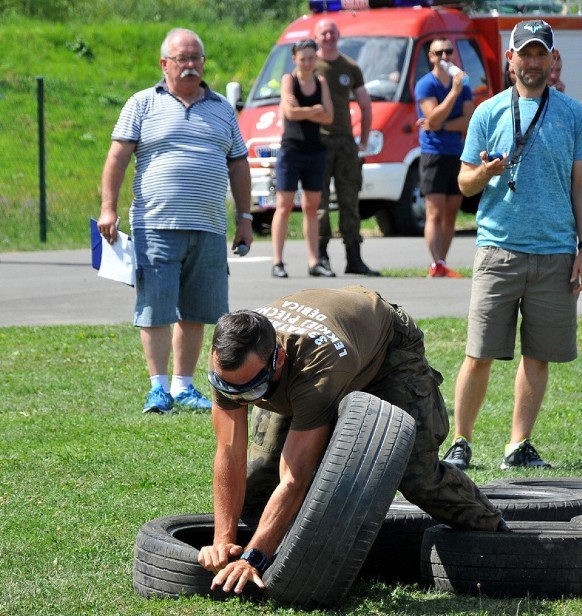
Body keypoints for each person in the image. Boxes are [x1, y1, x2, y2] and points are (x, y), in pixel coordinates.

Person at [197, 286, 506, 593]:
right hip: (328, 340)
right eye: (229, 388)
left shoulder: (317, 370)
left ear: (277, 360)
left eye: (250, 392)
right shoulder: (232, 360)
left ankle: (492, 527)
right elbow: (229, 453)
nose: (239, 398)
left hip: (386, 349)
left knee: (415, 473)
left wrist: (253, 558)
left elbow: (295, 478)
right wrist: (223, 541)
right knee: (261, 474)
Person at [441, 20, 582, 471]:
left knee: (538, 355)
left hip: (555, 252)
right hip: (498, 249)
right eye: (523, 54)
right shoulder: (487, 112)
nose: (532, 62)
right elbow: (464, 183)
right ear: (510, 59)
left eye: (539, 54)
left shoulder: (572, 113)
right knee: (479, 353)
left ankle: (518, 445)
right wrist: (486, 172)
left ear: (552, 60)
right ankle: (460, 442)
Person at [97, 28, 252, 414]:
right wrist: (108, 207)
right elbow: (117, 157)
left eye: (196, 58)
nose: (190, 65)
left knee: (198, 310)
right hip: (155, 224)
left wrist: (245, 218)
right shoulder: (142, 104)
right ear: (164, 64)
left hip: (210, 226)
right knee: (155, 307)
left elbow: (239, 165)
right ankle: (158, 389)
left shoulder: (221, 109)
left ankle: (184, 386)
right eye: (182, 59)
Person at [313, 19, 380, 277]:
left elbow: (365, 104)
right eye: (323, 33)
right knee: (319, 202)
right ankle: (321, 256)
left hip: (344, 142)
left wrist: (362, 140)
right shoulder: (309, 65)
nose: (328, 36)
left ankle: (354, 257)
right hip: (318, 142)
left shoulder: (349, 67)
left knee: (349, 200)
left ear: (338, 35)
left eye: (332, 32)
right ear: (316, 37)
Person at [270, 39, 334, 279]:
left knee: (311, 206)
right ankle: (277, 261)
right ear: (295, 58)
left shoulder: (321, 81)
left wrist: (306, 111)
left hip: (315, 150)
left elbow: (329, 117)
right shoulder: (290, 80)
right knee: (284, 205)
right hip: (291, 149)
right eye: (303, 58)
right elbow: (290, 113)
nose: (307, 63)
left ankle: (314, 261)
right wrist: (315, 109)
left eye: (311, 58)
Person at [415, 38, 474, 278]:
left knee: (451, 212)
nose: (445, 56)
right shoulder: (426, 85)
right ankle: (435, 262)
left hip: (455, 153)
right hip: (433, 154)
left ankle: (442, 262)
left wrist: (440, 124)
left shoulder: (464, 83)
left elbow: (468, 120)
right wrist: (454, 93)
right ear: (430, 57)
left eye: (449, 51)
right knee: (435, 212)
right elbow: (433, 115)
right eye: (439, 52)